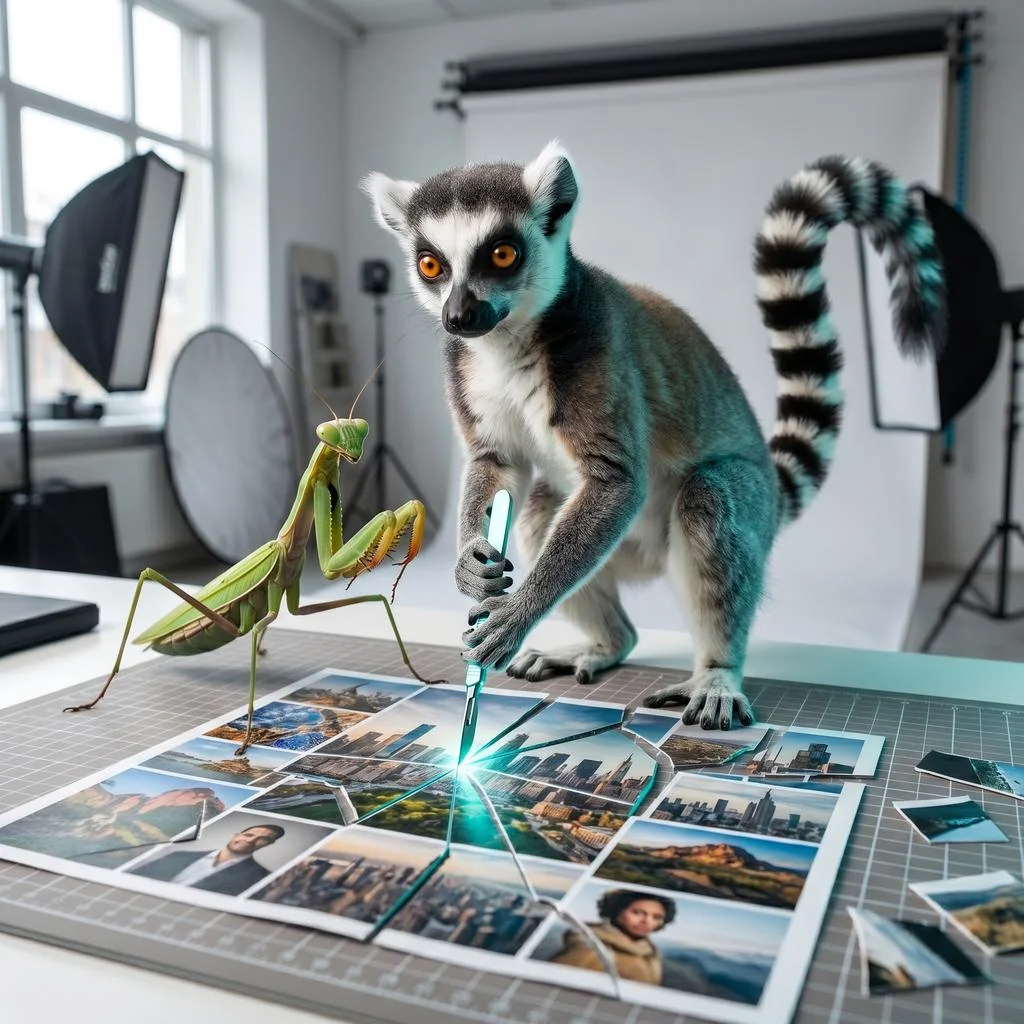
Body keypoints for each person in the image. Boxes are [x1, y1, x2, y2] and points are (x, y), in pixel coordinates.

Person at [549, 888, 674, 985]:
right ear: (616, 910)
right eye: (637, 913)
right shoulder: (591, 949)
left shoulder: (649, 950)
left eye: (657, 917)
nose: (647, 921)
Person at [127, 823, 285, 895]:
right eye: (248, 835)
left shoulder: (261, 878)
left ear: (268, 845)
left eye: (262, 839)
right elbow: (131, 879)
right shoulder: (179, 855)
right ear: (237, 835)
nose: (250, 840)